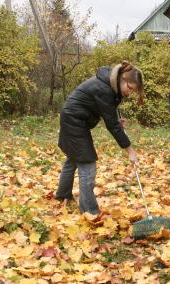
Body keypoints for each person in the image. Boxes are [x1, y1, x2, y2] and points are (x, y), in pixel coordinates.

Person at [56, 61, 143, 215]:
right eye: (129, 88)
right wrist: (130, 150)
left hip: (74, 118)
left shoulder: (111, 84)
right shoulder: (104, 88)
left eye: (133, 91)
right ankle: (90, 212)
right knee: (87, 164)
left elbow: (108, 111)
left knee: (73, 159)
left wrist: (116, 120)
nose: (129, 93)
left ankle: (63, 196)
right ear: (123, 78)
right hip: (74, 121)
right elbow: (112, 126)